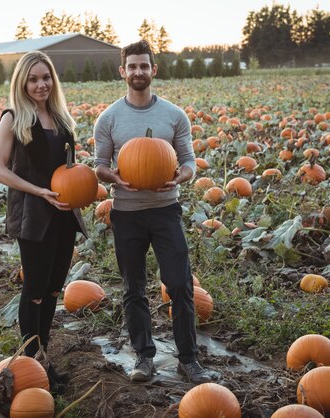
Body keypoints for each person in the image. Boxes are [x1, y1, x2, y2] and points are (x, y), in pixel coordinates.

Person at [94, 40, 213, 384]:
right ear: (123, 71)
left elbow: (189, 161)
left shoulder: (174, 116)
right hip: (126, 213)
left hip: (165, 211)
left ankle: (188, 360)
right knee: (133, 287)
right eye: (132, 66)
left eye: (144, 66)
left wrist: (181, 175)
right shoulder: (109, 118)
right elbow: (100, 165)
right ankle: (144, 358)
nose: (138, 72)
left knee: (179, 284)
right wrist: (113, 176)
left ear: (153, 70)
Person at [0, 51, 87, 393]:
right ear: (22, 83)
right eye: (33, 79)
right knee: (33, 292)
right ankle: (31, 363)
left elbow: (66, 167)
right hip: (34, 214)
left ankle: (42, 357)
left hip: (63, 213)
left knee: (52, 289)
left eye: (46, 77)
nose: (41, 84)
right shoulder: (13, 118)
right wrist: (39, 191)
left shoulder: (59, 117)